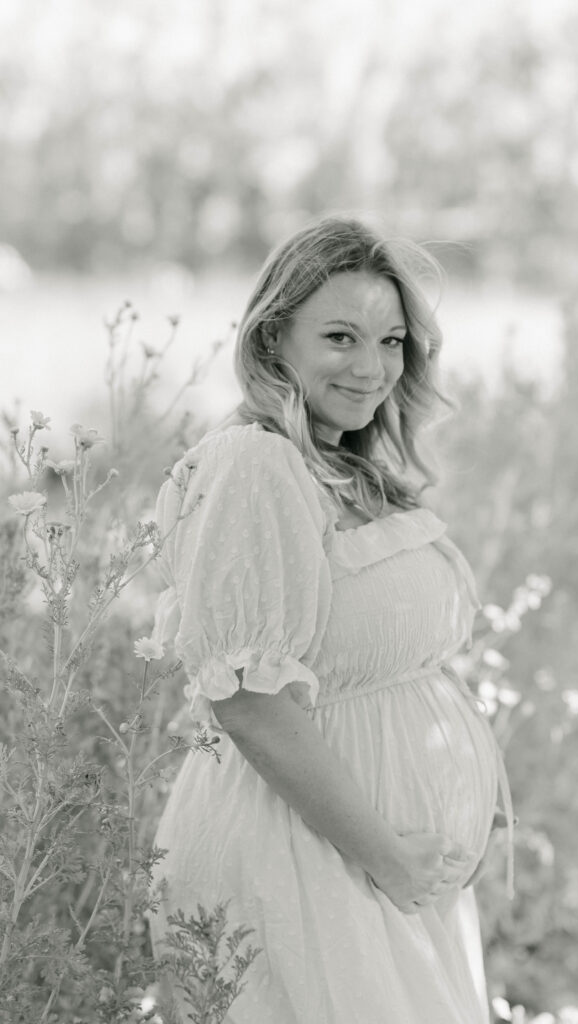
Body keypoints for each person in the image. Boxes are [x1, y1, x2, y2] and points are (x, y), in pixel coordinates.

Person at [149, 215, 514, 1024]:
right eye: (342, 337)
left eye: (392, 343)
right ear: (274, 337)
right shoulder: (254, 463)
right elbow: (246, 702)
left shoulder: (341, 464)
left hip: (379, 869)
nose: (373, 367)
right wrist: (386, 858)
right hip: (306, 861)